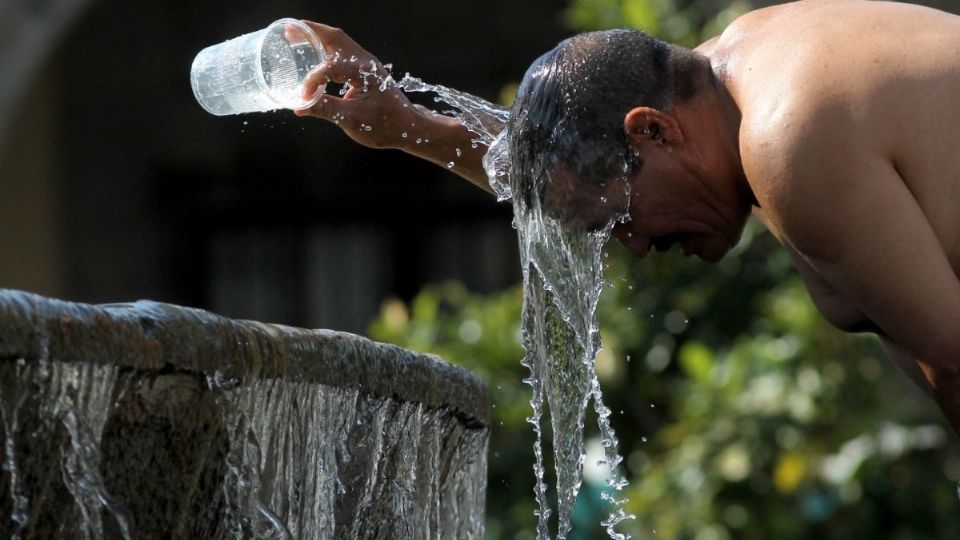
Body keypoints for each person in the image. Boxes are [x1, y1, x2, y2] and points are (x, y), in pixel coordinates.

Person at [293, 0, 960, 435]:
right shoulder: (732, 68)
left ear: (654, 133)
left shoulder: (789, 141)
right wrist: (407, 125)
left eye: (621, 220)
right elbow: (566, 167)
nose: (636, 245)